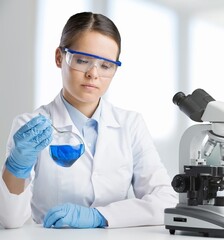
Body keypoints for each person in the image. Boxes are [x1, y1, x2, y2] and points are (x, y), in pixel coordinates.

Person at [0, 12, 177, 229]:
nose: (93, 74)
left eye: (105, 65)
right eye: (83, 60)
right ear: (59, 57)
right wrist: (16, 166)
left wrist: (99, 216)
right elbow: (10, 220)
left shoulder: (130, 124)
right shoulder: (30, 126)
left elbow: (166, 201)